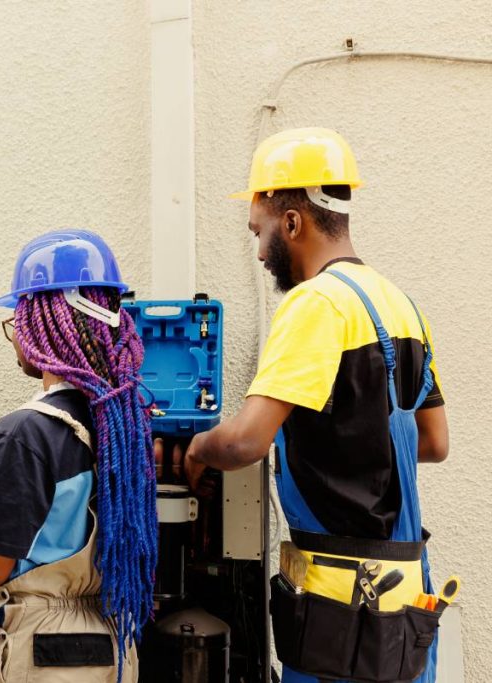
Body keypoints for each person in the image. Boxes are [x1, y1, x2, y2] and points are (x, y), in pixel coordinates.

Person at [181, 128, 448, 682]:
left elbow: (244, 441)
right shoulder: (402, 305)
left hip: (342, 611)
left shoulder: (315, 305)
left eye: (259, 231)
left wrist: (199, 451)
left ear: (294, 221)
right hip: (404, 599)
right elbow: (433, 442)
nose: (259, 251)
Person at [0, 229, 156, 682]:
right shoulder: (123, 423)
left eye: (18, 319)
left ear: (38, 323)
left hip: (44, 654)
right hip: (111, 647)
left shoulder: (24, 433)